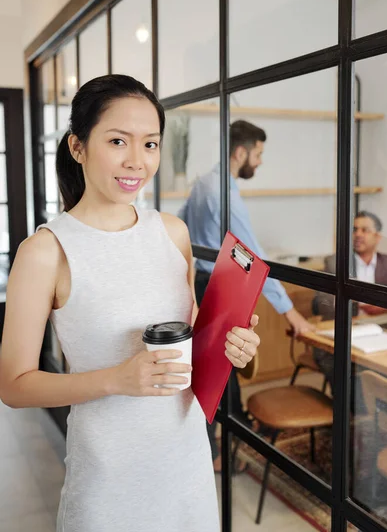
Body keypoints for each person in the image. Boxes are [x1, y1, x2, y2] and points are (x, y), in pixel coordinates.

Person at [0, 75, 261, 532]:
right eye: (118, 140)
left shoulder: (171, 232)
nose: (137, 161)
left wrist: (234, 346)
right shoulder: (46, 251)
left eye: (151, 144)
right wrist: (116, 378)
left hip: (187, 469)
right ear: (77, 147)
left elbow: (196, 341)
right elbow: (14, 386)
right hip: (108, 484)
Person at [178, 119, 313, 472]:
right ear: (241, 152)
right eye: (259, 154)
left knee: (218, 371)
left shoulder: (204, 183)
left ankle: (224, 443)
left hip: (205, 283)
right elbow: (253, 256)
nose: (261, 161)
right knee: (215, 373)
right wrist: (288, 310)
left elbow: (182, 227)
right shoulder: (222, 191)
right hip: (214, 287)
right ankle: (214, 456)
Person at [313, 210, 387, 390]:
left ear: (377, 237)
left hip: (382, 335)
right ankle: (356, 415)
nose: (358, 234)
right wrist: (357, 303)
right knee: (350, 382)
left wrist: (384, 306)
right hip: (343, 335)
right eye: (354, 229)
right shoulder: (336, 262)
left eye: (364, 230)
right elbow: (322, 304)